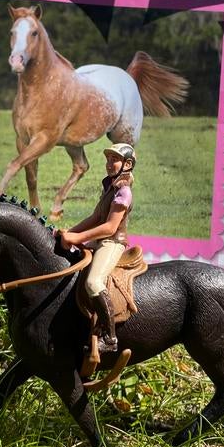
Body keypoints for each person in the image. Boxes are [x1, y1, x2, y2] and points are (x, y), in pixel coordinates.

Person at [58, 142, 135, 354]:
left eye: (115, 160)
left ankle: (110, 338)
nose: (109, 164)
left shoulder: (124, 192)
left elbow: (109, 227)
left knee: (93, 282)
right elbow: (95, 218)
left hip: (112, 242)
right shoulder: (111, 187)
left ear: (127, 164)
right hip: (100, 241)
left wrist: (77, 238)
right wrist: (68, 232)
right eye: (108, 159)